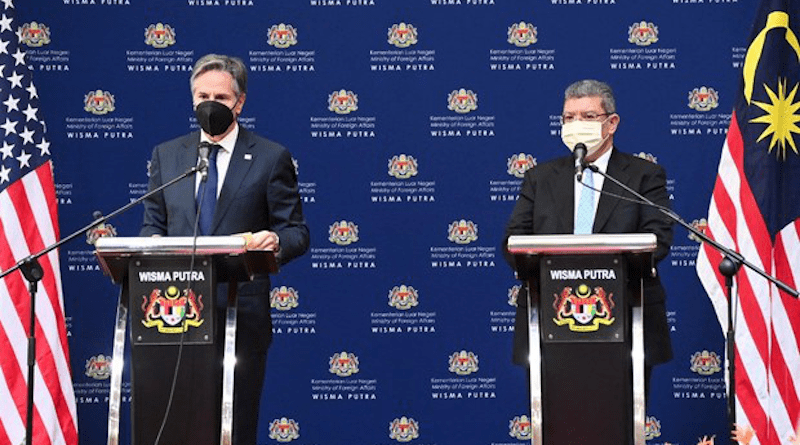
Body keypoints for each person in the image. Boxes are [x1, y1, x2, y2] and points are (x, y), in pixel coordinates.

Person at [140, 53, 310, 444]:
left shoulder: (270, 157)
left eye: (220, 96)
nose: (210, 104)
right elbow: (154, 224)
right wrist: (150, 245)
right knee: (177, 426)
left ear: (240, 101)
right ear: (192, 99)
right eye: (202, 96)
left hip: (241, 313)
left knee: (233, 426)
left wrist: (276, 242)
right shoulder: (168, 156)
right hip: (172, 314)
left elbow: (296, 232)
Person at [503, 79, 673, 389]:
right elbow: (513, 240)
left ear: (612, 123)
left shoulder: (643, 175)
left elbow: (657, 237)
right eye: (569, 117)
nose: (576, 124)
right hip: (549, 317)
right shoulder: (540, 178)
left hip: (627, 315)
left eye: (588, 116)